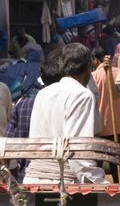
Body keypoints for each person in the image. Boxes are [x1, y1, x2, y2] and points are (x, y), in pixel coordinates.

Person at [23, 43, 108, 184]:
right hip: (63, 183)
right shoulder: (82, 94)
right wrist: (99, 183)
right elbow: (78, 152)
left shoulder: (43, 93)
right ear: (87, 67)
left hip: (33, 180)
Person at [4, 49, 63, 181]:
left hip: (26, 176)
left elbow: (8, 140)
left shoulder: (23, 104)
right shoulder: (67, 102)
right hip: (61, 177)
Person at [91, 46, 120, 183]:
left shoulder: (93, 77)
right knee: (119, 165)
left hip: (100, 127)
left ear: (95, 60)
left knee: (96, 165)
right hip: (118, 125)